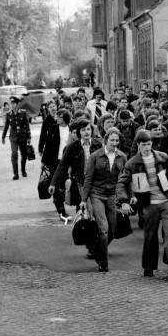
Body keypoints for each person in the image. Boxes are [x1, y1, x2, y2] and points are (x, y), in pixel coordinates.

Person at [117, 129, 168, 282]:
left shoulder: (162, 158)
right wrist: (123, 201)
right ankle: (149, 266)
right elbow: (121, 183)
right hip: (149, 205)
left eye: (149, 144)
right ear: (138, 145)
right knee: (150, 236)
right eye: (143, 145)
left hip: (167, 201)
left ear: (152, 144)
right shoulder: (132, 163)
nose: (147, 147)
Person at [51, 119, 103, 258]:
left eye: (88, 129)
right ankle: (92, 246)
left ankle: (98, 243)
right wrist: (53, 183)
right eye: (83, 130)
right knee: (90, 214)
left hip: (98, 184)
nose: (87, 132)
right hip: (82, 184)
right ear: (79, 133)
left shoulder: (98, 144)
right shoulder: (72, 147)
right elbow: (62, 166)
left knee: (100, 215)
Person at [80, 127, 128, 272]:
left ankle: (96, 248)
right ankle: (103, 263)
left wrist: (127, 198)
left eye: (117, 140)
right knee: (104, 229)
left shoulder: (122, 157)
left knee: (112, 229)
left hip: (112, 195)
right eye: (112, 140)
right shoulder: (95, 156)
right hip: (97, 194)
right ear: (106, 140)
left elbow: (126, 179)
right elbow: (88, 179)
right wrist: (84, 199)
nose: (114, 143)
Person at [41, 108, 72, 222]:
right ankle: (60, 209)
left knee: (65, 185)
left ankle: (61, 201)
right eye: (57, 116)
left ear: (65, 118)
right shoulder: (53, 128)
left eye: (60, 116)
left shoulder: (71, 129)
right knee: (56, 185)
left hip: (67, 161)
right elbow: (47, 146)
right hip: (55, 161)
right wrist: (43, 162)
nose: (57, 118)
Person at [2, 96, 31, 180]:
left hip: (23, 136)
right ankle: (16, 174)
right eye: (11, 103)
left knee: (24, 154)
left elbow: (27, 125)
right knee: (14, 154)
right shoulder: (8, 114)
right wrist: (3, 137)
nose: (12, 105)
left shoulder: (23, 113)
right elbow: (6, 126)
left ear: (18, 104)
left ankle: (23, 170)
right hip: (13, 137)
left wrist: (29, 137)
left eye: (14, 103)